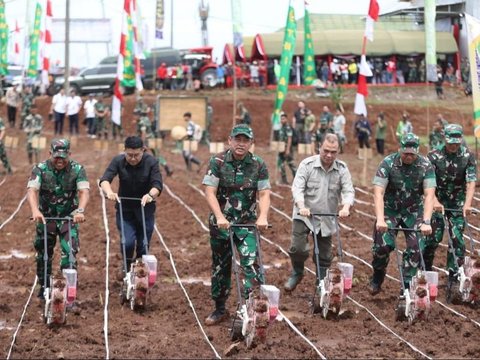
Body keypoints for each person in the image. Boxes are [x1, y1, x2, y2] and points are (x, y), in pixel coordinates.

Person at [202, 124, 270, 325]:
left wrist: (263, 216)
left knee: (251, 265)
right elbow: (209, 191)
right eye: (237, 139)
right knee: (220, 267)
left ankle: (250, 309)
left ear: (251, 143)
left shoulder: (258, 164)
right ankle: (220, 309)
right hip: (221, 225)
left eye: (245, 140)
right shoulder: (217, 162)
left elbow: (264, 193)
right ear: (230, 141)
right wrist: (219, 216)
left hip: (247, 224)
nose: (241, 144)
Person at [284, 133, 354, 291]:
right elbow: (297, 188)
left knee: (324, 255)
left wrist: (345, 207)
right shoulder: (307, 165)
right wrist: (301, 205)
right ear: (319, 148)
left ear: (338, 151)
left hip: (326, 216)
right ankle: (297, 272)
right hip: (305, 214)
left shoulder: (342, 169)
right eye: (326, 150)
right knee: (298, 249)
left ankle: (320, 284)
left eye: (333, 152)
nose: (329, 155)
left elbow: (348, 190)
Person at [369, 133, 435, 295]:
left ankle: (406, 287)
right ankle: (378, 275)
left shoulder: (426, 166)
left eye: (412, 154)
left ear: (417, 152)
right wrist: (380, 219)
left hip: (414, 211)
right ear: (399, 149)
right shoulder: (388, 163)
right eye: (405, 153)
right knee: (382, 247)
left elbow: (429, 195)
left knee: (416, 249)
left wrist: (426, 221)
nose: (408, 156)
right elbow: (378, 193)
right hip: (390, 210)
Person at [27, 139, 90, 298]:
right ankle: (44, 285)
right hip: (46, 218)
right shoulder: (40, 169)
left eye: (63, 157)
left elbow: (83, 192)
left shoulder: (77, 169)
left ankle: (68, 291)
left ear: (69, 154)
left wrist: (80, 211)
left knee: (70, 254)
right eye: (56, 157)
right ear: (50, 154)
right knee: (43, 254)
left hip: (68, 219)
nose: (60, 161)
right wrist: (35, 211)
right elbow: (32, 190)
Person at [100, 136, 163, 274]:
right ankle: (127, 264)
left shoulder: (151, 162)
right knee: (127, 242)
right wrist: (110, 192)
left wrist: (150, 195)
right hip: (125, 210)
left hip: (145, 208)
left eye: (136, 155)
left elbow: (157, 184)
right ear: (124, 151)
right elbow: (105, 179)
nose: (133, 158)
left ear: (143, 151)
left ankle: (140, 268)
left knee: (143, 243)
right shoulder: (118, 160)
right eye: (129, 155)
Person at [424, 125, 477, 286]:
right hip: (437, 200)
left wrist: (467, 204)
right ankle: (425, 270)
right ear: (444, 140)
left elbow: (471, 181)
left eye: (456, 143)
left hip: (457, 204)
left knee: (457, 239)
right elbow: (428, 183)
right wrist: (434, 202)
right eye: (450, 143)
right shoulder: (433, 156)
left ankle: (454, 277)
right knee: (433, 238)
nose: (453, 146)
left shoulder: (467, 156)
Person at [278, 112, 297, 185]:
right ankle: (284, 180)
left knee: (291, 164)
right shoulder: (281, 127)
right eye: (281, 119)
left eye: (283, 119)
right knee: (281, 165)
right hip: (281, 149)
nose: (282, 120)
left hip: (287, 149)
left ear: (286, 119)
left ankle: (297, 179)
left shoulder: (288, 127)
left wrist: (288, 150)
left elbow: (289, 139)